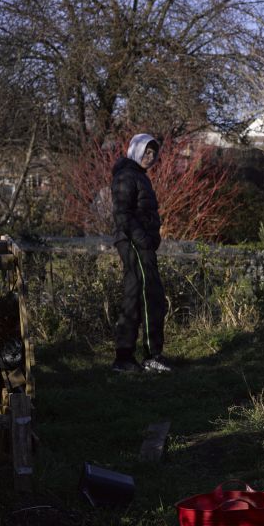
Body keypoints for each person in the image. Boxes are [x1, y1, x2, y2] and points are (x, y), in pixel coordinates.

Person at [111, 133, 171, 373]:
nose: (151, 156)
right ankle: (150, 356)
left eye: (154, 153)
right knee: (150, 296)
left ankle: (125, 358)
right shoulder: (127, 176)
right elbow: (123, 214)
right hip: (134, 243)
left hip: (139, 243)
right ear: (135, 150)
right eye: (147, 151)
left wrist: (152, 238)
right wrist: (144, 239)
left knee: (137, 297)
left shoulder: (138, 176)